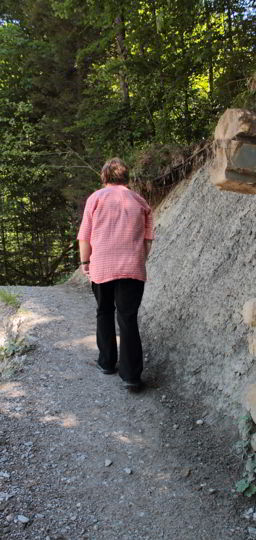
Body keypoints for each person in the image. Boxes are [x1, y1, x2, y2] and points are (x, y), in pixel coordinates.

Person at [77, 157, 154, 392]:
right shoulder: (140, 201)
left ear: (104, 177)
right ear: (127, 177)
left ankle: (107, 362)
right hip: (131, 267)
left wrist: (85, 261)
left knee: (104, 311)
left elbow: (85, 236)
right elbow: (147, 240)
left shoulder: (95, 199)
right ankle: (131, 376)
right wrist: (138, 259)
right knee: (128, 318)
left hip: (102, 266)